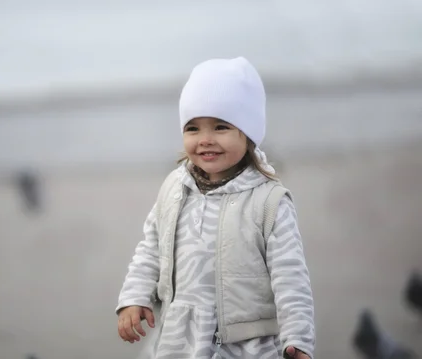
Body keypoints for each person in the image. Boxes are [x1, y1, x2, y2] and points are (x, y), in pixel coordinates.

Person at [116, 57, 315, 359]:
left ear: (247, 133)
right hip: (178, 339)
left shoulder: (268, 202)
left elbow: (290, 277)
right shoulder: (175, 188)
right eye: (193, 128)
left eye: (221, 126)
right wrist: (134, 297)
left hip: (246, 345)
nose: (206, 140)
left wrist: (298, 338)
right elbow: (150, 248)